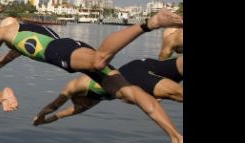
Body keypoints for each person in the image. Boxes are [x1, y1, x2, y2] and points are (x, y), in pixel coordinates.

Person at [0, 8, 184, 143]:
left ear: (7, 23)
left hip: (59, 51)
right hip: (69, 46)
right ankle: (176, 138)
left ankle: (151, 23)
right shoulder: (22, 38)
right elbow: (4, 59)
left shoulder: (5, 30)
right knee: (129, 93)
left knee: (99, 59)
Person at [32, 55, 183, 126]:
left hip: (132, 74)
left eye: (81, 106)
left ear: (77, 99)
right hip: (140, 69)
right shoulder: (89, 102)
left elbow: (55, 104)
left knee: (178, 94)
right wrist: (43, 122)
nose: (83, 107)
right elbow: (60, 115)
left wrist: (40, 115)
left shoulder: (78, 85)